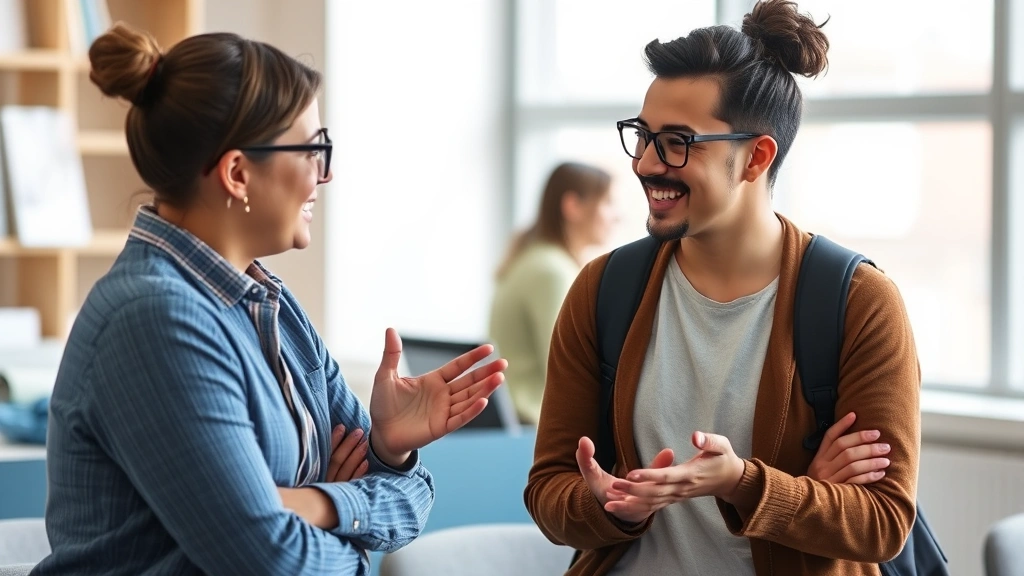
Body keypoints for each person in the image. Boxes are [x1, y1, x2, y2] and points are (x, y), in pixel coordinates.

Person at [33, 23, 506, 576]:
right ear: (237, 174)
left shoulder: (270, 306)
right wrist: (347, 531)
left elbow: (413, 499)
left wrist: (372, 462)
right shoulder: (156, 319)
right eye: (313, 149)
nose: (326, 174)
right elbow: (271, 560)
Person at [524, 1, 920, 574]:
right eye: (643, 135)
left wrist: (744, 483)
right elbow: (547, 493)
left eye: (677, 141)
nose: (644, 164)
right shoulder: (603, 288)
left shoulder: (858, 302)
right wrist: (612, 504)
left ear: (756, 156)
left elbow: (882, 522)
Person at [489, 162, 618, 425]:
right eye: (607, 203)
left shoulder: (534, 259)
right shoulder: (552, 272)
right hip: (535, 427)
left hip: (520, 421)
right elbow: (569, 372)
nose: (616, 216)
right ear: (573, 206)